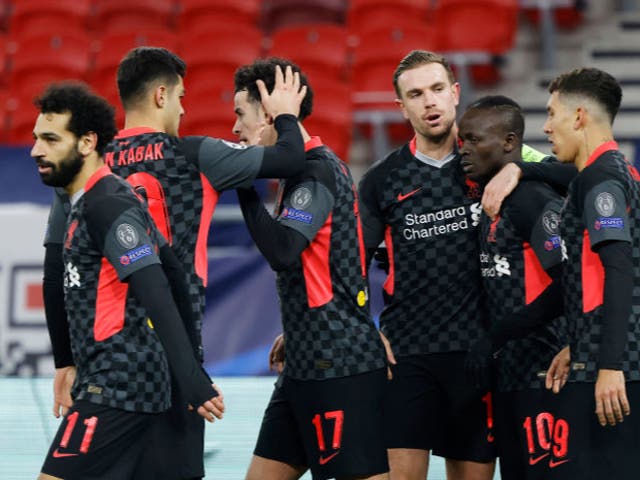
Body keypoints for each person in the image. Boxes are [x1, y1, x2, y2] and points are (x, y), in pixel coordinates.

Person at [42, 47, 308, 480]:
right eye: (182, 97)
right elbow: (292, 158)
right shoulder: (197, 154)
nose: (185, 109)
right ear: (162, 95)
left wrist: (63, 361)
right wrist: (284, 116)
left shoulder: (85, 166)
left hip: (105, 361)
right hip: (175, 362)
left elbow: (55, 271)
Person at [33, 83, 223, 480]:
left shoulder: (108, 203)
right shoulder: (92, 201)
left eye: (50, 139)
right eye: (36, 138)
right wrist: (67, 361)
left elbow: (156, 292)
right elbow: (173, 272)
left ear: (87, 142)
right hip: (121, 381)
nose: (36, 150)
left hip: (121, 386)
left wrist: (192, 379)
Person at [233, 57, 389, 480]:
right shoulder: (300, 172)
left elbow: (283, 251)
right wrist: (300, 327)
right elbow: (331, 265)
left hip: (340, 368)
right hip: (306, 362)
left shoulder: (313, 169)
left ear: (269, 114)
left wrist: (241, 185)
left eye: (240, 114)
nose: (234, 129)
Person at [357, 49, 496, 480]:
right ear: (401, 107)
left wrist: (516, 173)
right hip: (406, 355)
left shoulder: (495, 162)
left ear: (455, 94)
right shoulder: (381, 180)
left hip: (478, 351)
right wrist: (364, 328)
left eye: (437, 89)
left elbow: (559, 173)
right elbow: (351, 262)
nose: (429, 102)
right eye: (415, 94)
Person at [459, 95, 569, 479]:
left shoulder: (530, 199)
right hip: (510, 372)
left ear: (509, 143)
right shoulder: (493, 198)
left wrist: (496, 336)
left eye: (474, 140)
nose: (464, 150)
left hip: (544, 371)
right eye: (461, 141)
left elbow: (568, 283)